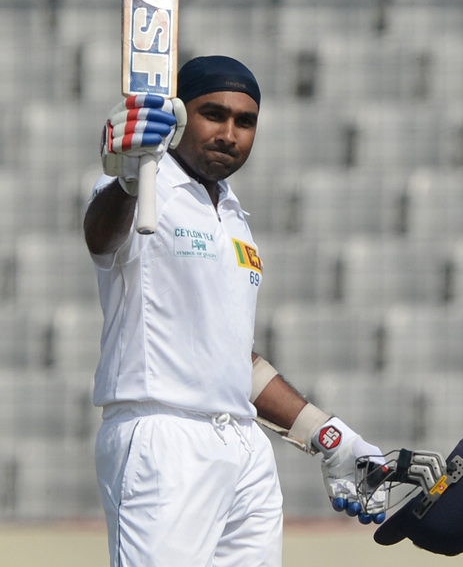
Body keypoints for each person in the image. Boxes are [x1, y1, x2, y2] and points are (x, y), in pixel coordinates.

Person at [84, 55, 386, 567]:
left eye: (245, 122)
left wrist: (331, 438)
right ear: (179, 117)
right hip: (164, 438)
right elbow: (100, 235)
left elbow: (232, 359)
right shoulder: (140, 191)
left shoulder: (233, 214)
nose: (229, 133)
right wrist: (131, 178)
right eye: (213, 114)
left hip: (244, 448)